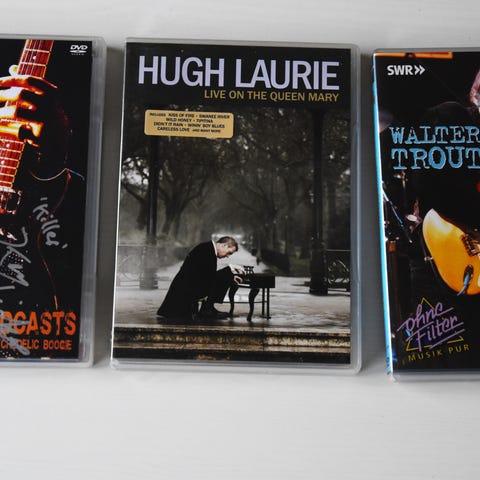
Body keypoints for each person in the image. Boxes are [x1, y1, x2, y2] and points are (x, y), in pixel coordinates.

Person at [157, 236, 244, 320]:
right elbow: (209, 276)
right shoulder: (206, 250)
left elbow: (208, 274)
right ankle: (207, 309)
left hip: (190, 286)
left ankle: (208, 308)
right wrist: (228, 273)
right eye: (229, 253)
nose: (228, 256)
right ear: (224, 245)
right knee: (226, 273)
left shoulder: (208, 248)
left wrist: (230, 276)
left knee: (227, 273)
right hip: (185, 292)